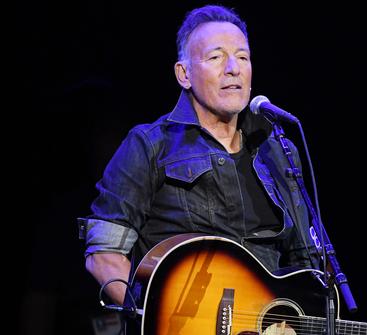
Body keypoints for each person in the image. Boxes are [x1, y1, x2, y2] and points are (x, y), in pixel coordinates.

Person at [81, 4, 319, 307]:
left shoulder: (278, 150)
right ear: (184, 74)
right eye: (216, 57)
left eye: (243, 57)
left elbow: (307, 264)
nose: (233, 67)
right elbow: (103, 257)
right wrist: (157, 323)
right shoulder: (150, 145)